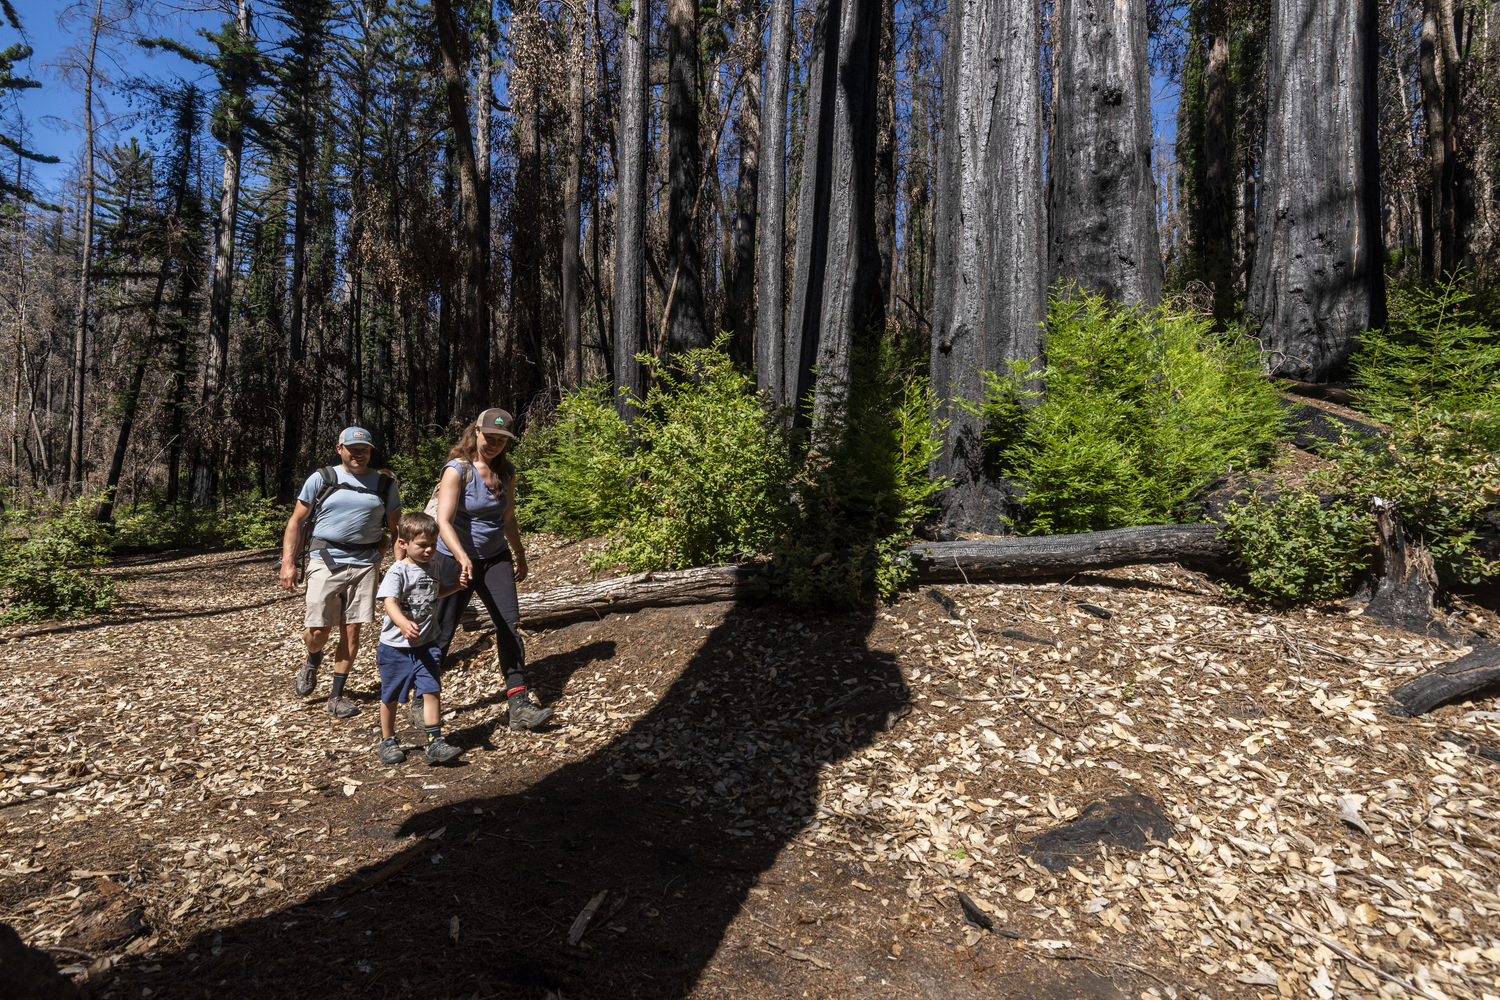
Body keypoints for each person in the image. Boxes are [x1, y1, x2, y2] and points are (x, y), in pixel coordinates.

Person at [431, 408, 553, 731]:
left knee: (508, 625)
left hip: (495, 557)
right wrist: (460, 556)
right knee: (442, 631)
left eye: (502, 440)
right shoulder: (458, 470)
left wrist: (520, 554)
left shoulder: (506, 472)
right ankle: (423, 698)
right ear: (476, 431)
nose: (495, 444)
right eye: (490, 437)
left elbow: (508, 519)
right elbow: (443, 521)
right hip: (453, 557)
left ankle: (518, 703)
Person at [278, 427, 402, 718]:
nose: (358, 454)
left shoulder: (384, 484)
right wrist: (288, 562)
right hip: (325, 558)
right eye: (353, 449)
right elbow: (296, 521)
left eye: (365, 450)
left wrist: (400, 568)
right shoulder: (322, 478)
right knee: (318, 631)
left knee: (352, 629)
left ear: (370, 452)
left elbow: (396, 530)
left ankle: (336, 695)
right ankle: (312, 659)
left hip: (367, 561)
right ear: (339, 449)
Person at [374, 512, 464, 764]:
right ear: (403, 543)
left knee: (431, 689)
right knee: (391, 695)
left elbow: (436, 593)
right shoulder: (398, 571)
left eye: (433, 545)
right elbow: (389, 602)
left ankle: (435, 742)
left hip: (427, 643)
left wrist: (456, 586)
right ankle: (388, 739)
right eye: (422, 545)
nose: (428, 550)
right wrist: (402, 623)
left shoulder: (434, 566)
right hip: (396, 647)